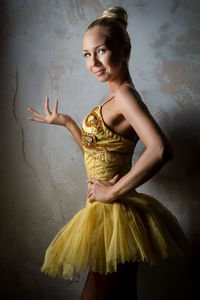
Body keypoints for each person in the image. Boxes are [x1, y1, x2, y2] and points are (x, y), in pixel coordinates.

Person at [27, 6, 189, 300]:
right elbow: (96, 155)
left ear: (125, 49)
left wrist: (113, 192)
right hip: (102, 216)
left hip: (114, 216)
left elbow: (161, 150)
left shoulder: (125, 95)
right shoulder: (116, 96)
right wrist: (67, 123)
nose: (93, 62)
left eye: (100, 51)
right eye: (87, 55)